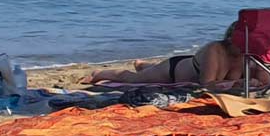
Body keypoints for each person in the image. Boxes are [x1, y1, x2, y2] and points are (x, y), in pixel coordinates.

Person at [86, 23, 245, 87]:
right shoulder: (215, 49)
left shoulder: (250, 54)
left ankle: (143, 65)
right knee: (132, 79)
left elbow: (264, 80)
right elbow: (206, 83)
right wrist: (239, 82)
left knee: (150, 71)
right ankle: (100, 73)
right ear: (229, 38)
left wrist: (253, 80)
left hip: (188, 65)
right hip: (173, 72)